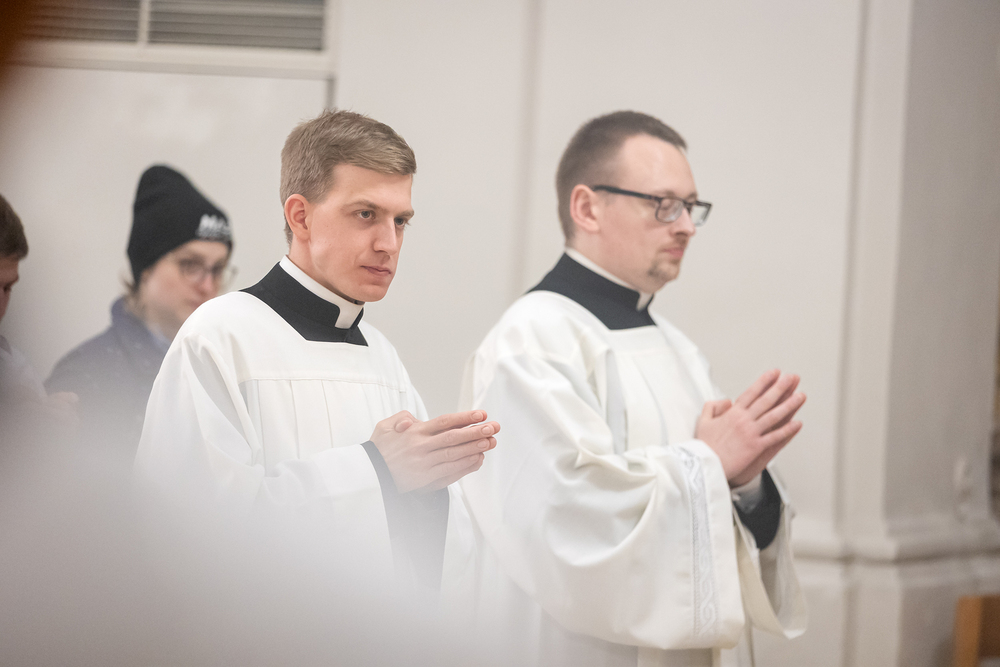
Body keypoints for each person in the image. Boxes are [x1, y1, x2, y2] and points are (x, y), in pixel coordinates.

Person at [446, 111, 807, 665]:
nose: (686, 226)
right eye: (664, 204)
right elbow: (562, 518)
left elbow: (719, 490)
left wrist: (746, 483)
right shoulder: (533, 340)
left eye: (691, 207)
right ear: (587, 207)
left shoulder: (678, 347)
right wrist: (708, 463)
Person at [134, 110, 499, 589]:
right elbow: (192, 532)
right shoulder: (220, 338)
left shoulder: (382, 358)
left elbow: (431, 564)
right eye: (366, 214)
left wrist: (431, 490)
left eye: (401, 221)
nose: (389, 243)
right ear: (300, 217)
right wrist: (377, 469)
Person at [45, 165, 233, 459]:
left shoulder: (230, 368)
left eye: (218, 269)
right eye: (190, 265)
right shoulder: (86, 377)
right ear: (146, 269)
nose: (208, 285)